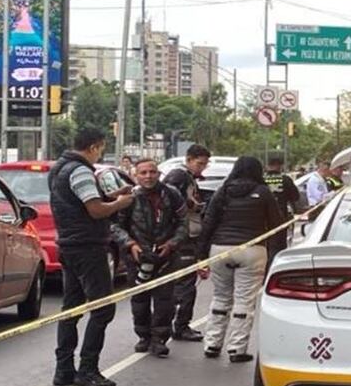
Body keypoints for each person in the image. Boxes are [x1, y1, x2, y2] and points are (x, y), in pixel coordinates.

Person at [48, 128, 134, 386]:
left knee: (71, 307)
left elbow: (77, 202)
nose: (100, 154)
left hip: (68, 244)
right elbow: (95, 210)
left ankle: (64, 369)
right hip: (88, 246)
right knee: (103, 308)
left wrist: (112, 195)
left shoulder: (58, 169)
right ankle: (88, 369)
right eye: (101, 149)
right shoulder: (81, 171)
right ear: (94, 147)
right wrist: (121, 203)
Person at [198, 156, 282, 363]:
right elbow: (277, 226)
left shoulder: (222, 191)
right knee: (244, 300)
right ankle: (237, 348)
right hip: (252, 250)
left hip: (220, 249)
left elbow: (208, 223)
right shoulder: (263, 193)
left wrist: (201, 255)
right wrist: (276, 256)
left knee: (221, 296)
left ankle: (212, 343)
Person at [111, 159, 188, 358]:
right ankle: (143, 336)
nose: (148, 176)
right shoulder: (128, 198)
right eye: (143, 173)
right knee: (140, 299)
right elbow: (115, 226)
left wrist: (172, 244)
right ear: (136, 175)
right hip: (137, 258)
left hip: (166, 257)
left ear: (159, 174)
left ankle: (159, 339)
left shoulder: (172, 194)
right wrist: (130, 244)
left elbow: (183, 223)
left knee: (165, 300)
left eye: (152, 172)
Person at [162, 144, 212, 342]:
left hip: (187, 235)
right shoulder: (179, 176)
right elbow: (171, 200)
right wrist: (192, 205)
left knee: (183, 283)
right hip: (182, 237)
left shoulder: (188, 177)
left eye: (205, 164)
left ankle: (173, 325)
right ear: (189, 159)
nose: (202, 168)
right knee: (185, 284)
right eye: (200, 163)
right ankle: (179, 326)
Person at [263, 154, 300, 263]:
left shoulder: (261, 179)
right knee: (278, 246)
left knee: (264, 244)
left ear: (267, 166)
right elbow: (295, 197)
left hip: (262, 218)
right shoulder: (285, 179)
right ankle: (275, 264)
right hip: (280, 218)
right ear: (280, 166)